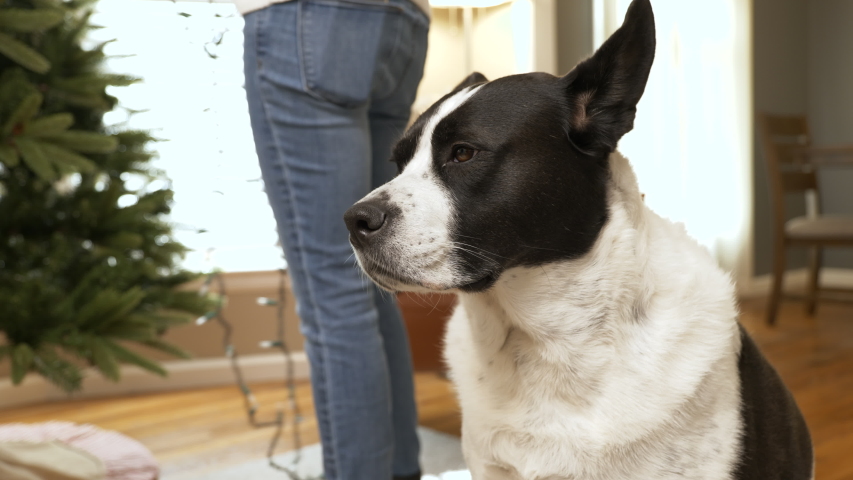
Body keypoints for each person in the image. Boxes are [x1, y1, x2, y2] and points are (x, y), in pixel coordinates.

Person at [235, 0, 430, 479]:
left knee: (335, 289)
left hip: (304, 18)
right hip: (404, 20)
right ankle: (400, 471)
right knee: (371, 283)